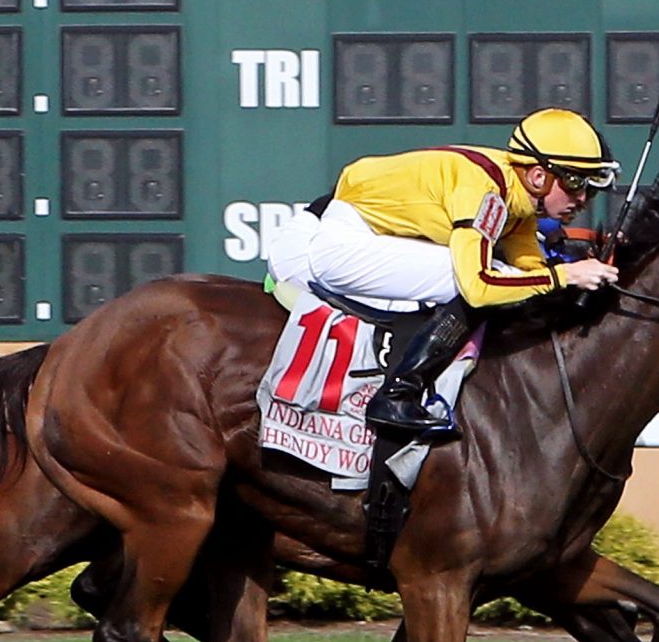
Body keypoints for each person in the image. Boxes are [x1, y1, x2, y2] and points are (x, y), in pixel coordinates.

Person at [267, 108, 622, 438]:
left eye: (590, 188)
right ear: (539, 175)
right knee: (480, 278)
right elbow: (479, 288)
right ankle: (396, 394)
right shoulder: (485, 193)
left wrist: (574, 278)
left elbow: (532, 270)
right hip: (337, 245)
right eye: (577, 183)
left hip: (363, 230)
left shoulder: (518, 199)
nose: (584, 199)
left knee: (511, 277)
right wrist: (564, 277)